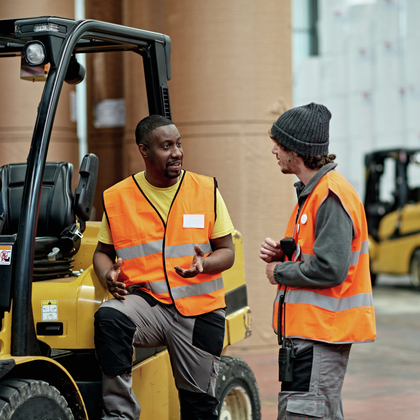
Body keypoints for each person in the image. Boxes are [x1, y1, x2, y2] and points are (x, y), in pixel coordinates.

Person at [93, 114, 235, 420]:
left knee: (199, 409)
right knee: (109, 317)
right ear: (144, 151)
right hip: (148, 304)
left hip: (199, 309)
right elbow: (101, 253)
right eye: (167, 146)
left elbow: (228, 252)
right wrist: (107, 275)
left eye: (179, 144)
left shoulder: (205, 189)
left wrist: (204, 263)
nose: (177, 152)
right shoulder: (118, 198)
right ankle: (120, 414)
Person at [259, 102, 376, 420]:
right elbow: (320, 256)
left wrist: (279, 271)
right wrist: (286, 255)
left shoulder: (330, 196)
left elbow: (330, 269)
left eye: (278, 145)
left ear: (295, 150)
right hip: (310, 336)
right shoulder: (314, 194)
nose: (274, 151)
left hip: (320, 335)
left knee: (305, 413)